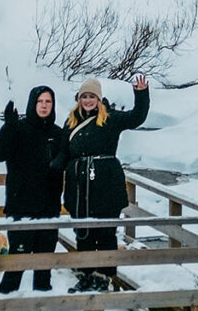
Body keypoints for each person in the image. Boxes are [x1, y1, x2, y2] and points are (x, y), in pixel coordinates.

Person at [52, 74, 149, 292]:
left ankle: (104, 277)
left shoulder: (110, 119)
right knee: (84, 232)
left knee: (105, 232)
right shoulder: (71, 122)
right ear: (79, 99)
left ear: (98, 98)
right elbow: (63, 153)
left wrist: (141, 94)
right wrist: (47, 169)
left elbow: (137, 117)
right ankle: (85, 275)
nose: (88, 100)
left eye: (92, 96)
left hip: (105, 184)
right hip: (79, 186)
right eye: (84, 96)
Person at [0, 85, 62, 311]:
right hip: (22, 211)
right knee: (15, 268)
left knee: (43, 270)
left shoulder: (57, 133)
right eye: (40, 101)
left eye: (48, 102)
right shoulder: (18, 129)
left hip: (48, 212)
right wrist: (8, 127)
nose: (44, 105)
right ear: (33, 103)